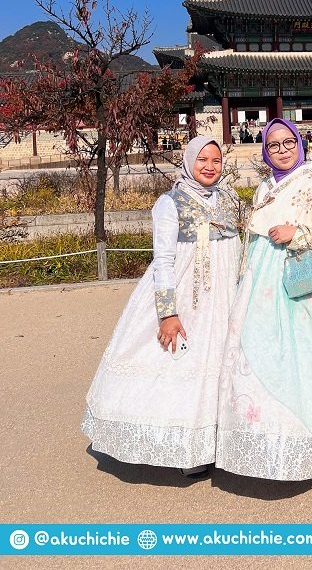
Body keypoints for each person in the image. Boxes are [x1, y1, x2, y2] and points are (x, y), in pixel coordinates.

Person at [82, 137, 241, 477]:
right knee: (180, 365)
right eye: (203, 160)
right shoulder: (170, 202)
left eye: (215, 160)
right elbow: (164, 260)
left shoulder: (228, 198)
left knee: (217, 365)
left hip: (223, 296)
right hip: (186, 295)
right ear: (188, 162)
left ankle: (214, 443)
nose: (210, 166)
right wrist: (168, 313)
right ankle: (185, 450)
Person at [215, 118, 312, 480]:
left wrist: (298, 232)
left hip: (302, 285)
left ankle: (307, 444)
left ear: (299, 144)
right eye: (273, 145)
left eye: (287, 142)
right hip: (260, 283)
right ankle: (262, 442)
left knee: (304, 356)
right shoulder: (264, 188)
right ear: (264, 150)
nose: (281, 150)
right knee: (257, 350)